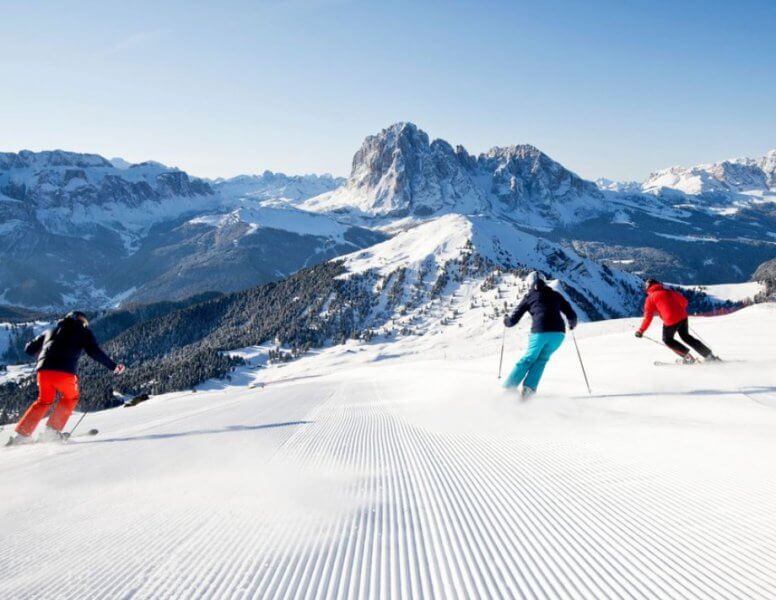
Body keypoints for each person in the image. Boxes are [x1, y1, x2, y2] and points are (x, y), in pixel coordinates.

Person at [6, 311, 125, 446]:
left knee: (44, 401)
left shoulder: (50, 331)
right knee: (71, 397)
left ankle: (22, 435)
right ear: (81, 321)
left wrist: (45, 350)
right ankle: (52, 431)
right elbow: (94, 352)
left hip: (43, 372)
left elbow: (29, 349)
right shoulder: (83, 332)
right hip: (64, 373)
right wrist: (113, 366)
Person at [503, 273, 577, 399]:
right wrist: (571, 323)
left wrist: (506, 321)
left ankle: (509, 388)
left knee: (528, 359)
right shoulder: (556, 295)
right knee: (542, 360)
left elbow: (513, 320)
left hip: (540, 332)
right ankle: (529, 390)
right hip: (558, 334)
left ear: (529, 284)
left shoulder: (529, 297)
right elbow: (570, 313)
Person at [634, 279, 719, 363]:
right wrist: (675, 309)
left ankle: (688, 358)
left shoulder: (650, 299)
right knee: (686, 337)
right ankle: (709, 356)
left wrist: (641, 331)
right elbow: (685, 302)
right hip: (683, 317)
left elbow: (648, 318)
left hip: (670, 320)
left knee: (667, 340)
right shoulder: (669, 292)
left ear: (648, 287)